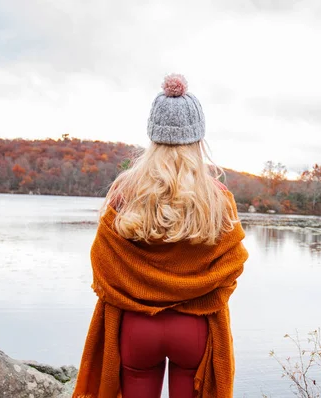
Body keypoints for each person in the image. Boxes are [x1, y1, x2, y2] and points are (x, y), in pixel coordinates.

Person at [73, 74, 249, 398]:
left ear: (153, 134)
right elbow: (232, 264)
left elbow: (102, 260)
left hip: (137, 325)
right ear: (198, 137)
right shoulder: (217, 196)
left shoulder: (125, 191)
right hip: (193, 326)